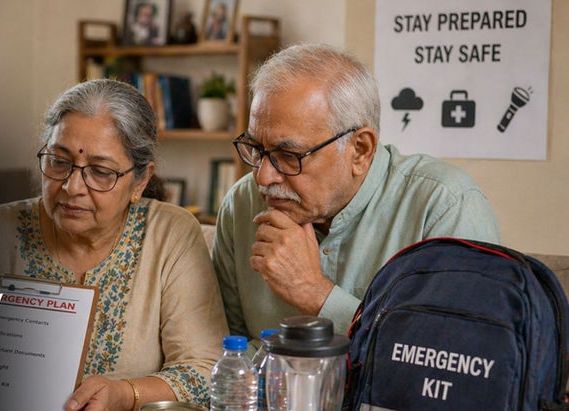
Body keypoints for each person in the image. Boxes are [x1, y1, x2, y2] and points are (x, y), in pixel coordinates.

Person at [0, 79, 227, 410]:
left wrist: (127, 394)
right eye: (59, 162)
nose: (72, 187)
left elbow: (207, 371)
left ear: (141, 180)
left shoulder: (171, 235)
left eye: (100, 171)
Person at [212, 44, 500, 349]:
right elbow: (227, 351)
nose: (263, 176)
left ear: (360, 150)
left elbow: (459, 358)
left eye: (288, 154)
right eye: (256, 149)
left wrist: (315, 294)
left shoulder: (445, 206)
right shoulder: (241, 205)